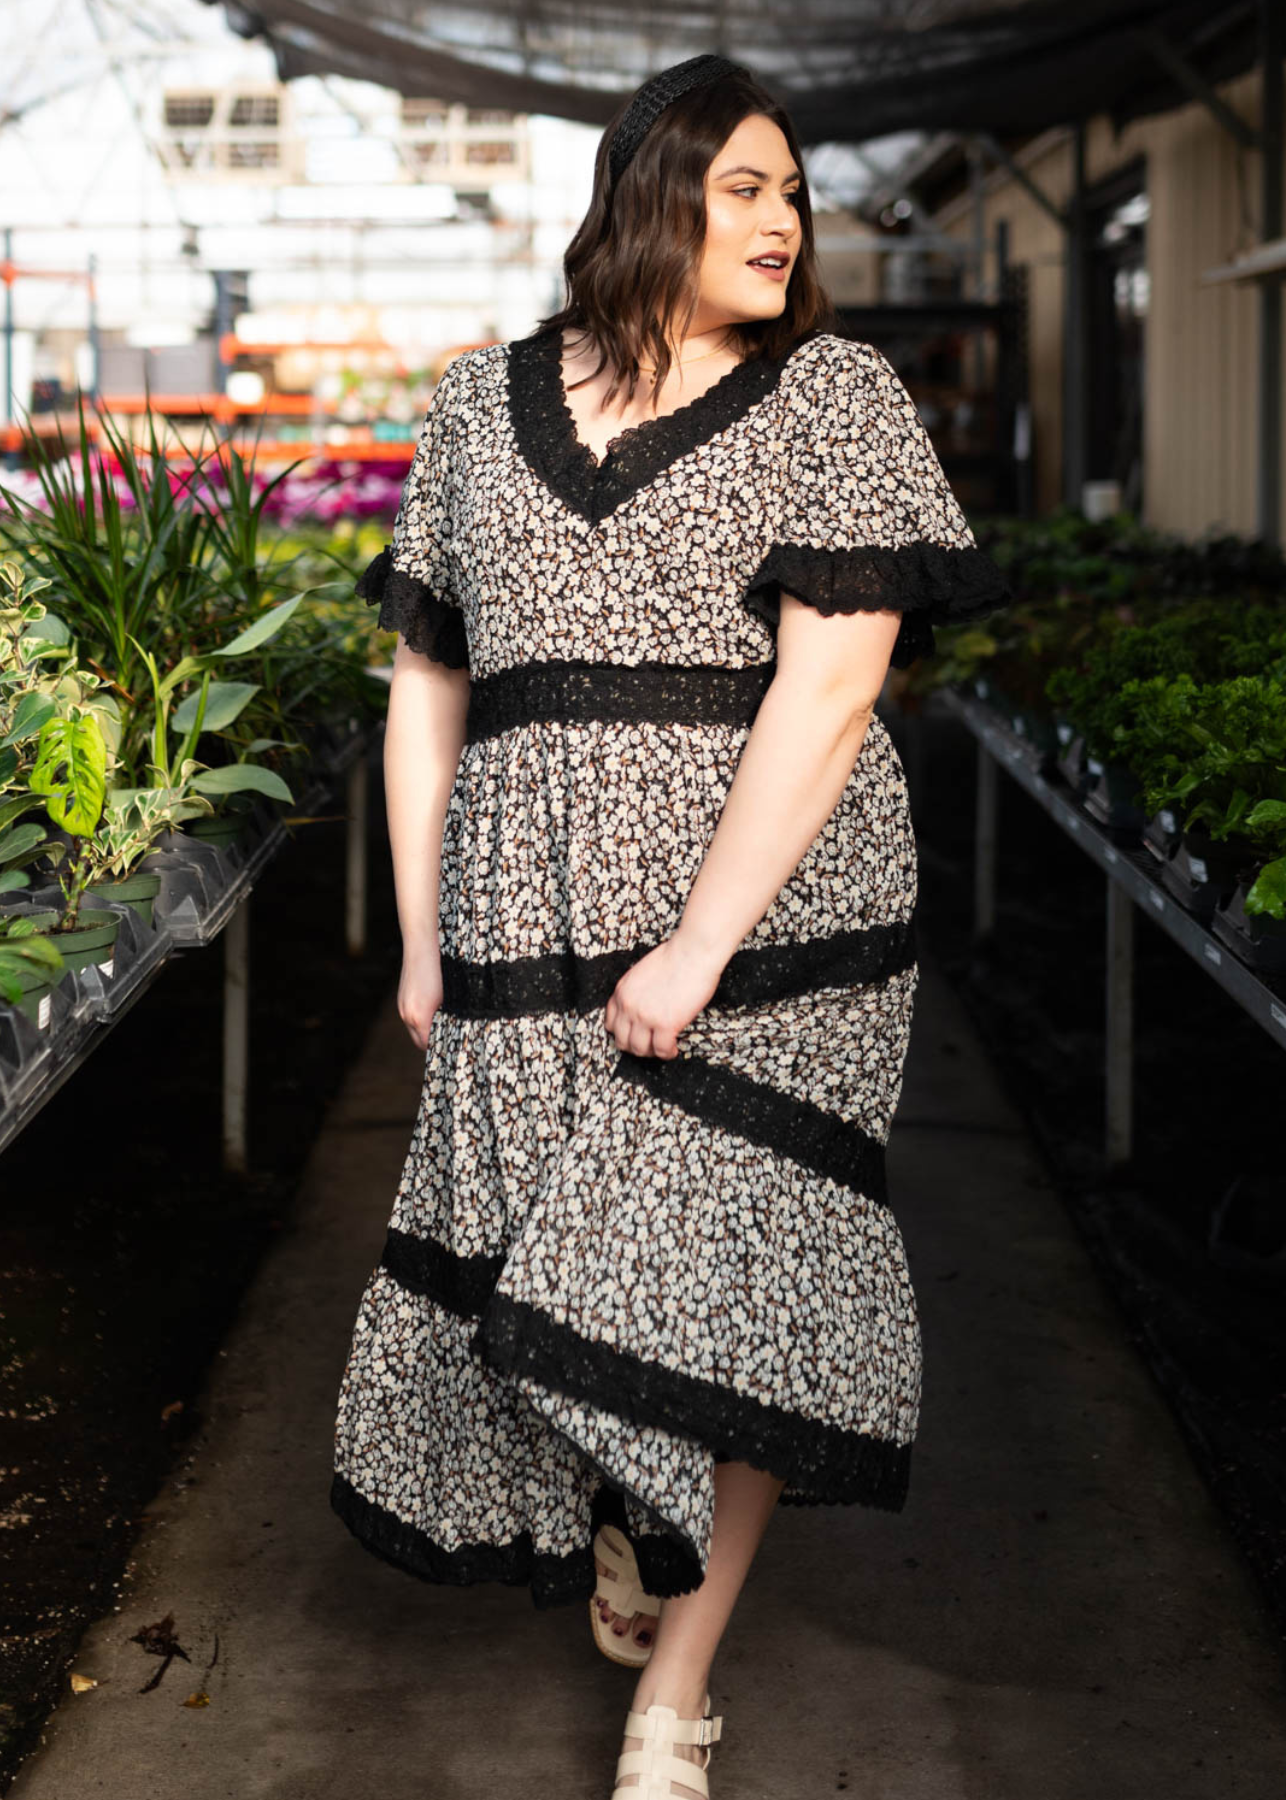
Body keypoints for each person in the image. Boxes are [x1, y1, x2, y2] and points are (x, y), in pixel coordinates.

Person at [332, 52, 1010, 1800]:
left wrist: (700, 943)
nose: (786, 223)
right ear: (648, 194)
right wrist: (423, 940)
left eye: (794, 194)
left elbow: (839, 675)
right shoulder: (477, 412)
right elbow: (426, 689)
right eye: (746, 190)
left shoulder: (832, 396)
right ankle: (639, 1511)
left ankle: (676, 1696)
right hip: (525, 906)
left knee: (737, 1270)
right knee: (562, 1260)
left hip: (783, 920)